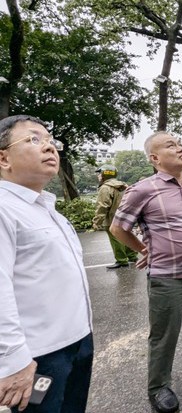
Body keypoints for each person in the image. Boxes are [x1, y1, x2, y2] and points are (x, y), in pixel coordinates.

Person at [110, 131, 182, 413]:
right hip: (167, 276)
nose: (180, 148)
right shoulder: (142, 189)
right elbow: (118, 227)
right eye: (171, 145)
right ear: (155, 158)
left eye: (181, 144)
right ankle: (158, 386)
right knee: (164, 333)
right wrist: (143, 249)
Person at [0, 115, 94, 413]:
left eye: (52, 142)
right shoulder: (4, 209)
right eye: (34, 139)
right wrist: (13, 360)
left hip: (78, 342)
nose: (50, 148)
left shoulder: (49, 210)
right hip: (38, 356)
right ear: (3, 158)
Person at [92, 164, 138, 269]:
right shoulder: (123, 186)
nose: (98, 176)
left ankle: (121, 260)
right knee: (126, 236)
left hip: (112, 219)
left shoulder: (105, 188)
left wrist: (97, 222)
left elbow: (102, 206)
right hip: (126, 217)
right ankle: (132, 256)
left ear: (104, 174)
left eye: (99, 174)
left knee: (116, 239)